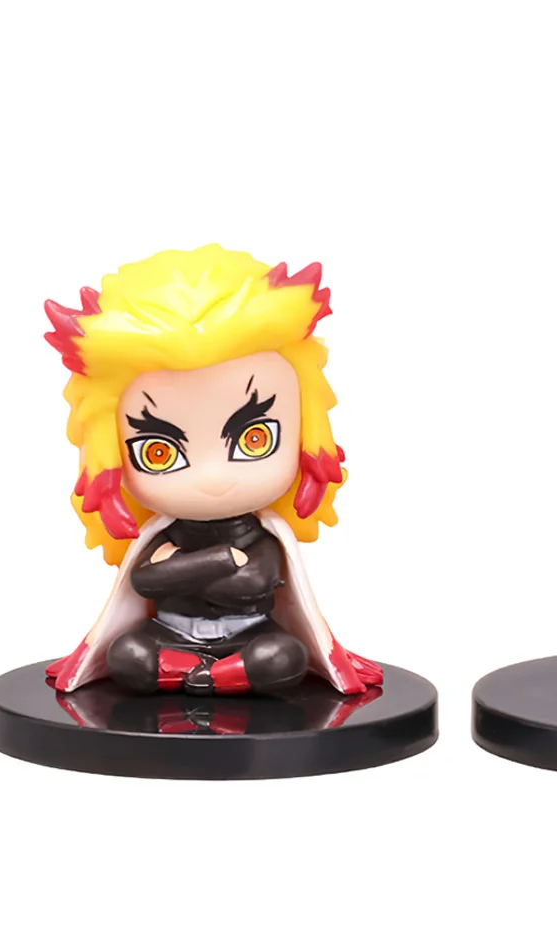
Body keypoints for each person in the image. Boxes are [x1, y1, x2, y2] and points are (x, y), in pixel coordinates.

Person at [45, 245, 382, 696]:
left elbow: (251, 583)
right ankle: (212, 677)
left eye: (254, 439)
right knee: (127, 655)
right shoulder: (166, 536)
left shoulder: (261, 538)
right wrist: (223, 560)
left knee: (283, 657)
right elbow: (144, 580)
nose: (211, 477)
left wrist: (179, 567)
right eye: (159, 452)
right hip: (168, 635)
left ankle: (203, 677)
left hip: (250, 636)